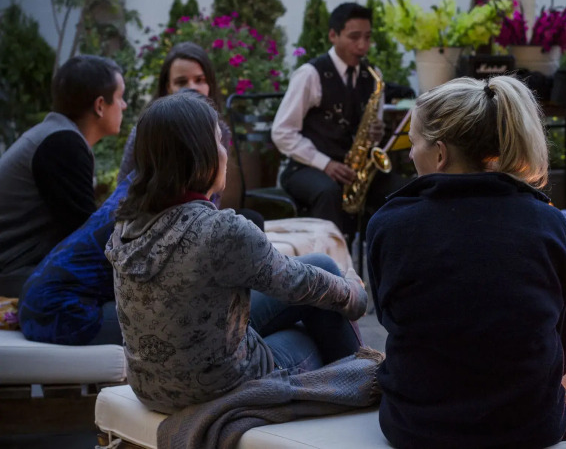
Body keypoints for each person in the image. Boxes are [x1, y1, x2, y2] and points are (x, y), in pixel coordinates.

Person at [105, 91, 367, 414]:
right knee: (314, 324)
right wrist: (355, 295)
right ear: (199, 155)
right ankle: (363, 391)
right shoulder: (221, 231)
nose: (225, 151)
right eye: (218, 141)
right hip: (219, 388)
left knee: (321, 266)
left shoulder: (127, 223)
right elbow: (299, 284)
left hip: (150, 388)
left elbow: (298, 277)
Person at [366, 76, 566, 448]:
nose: (410, 154)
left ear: (440, 153)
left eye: (414, 143)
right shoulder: (548, 222)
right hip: (530, 429)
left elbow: (392, 320)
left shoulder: (390, 224)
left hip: (418, 429)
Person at [272, 2, 407, 240]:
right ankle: (328, 261)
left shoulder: (373, 76)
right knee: (328, 192)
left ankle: (387, 257)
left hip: (353, 170)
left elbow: (370, 133)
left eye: (367, 37)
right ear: (333, 36)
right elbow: (282, 132)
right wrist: (325, 164)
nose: (362, 46)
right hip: (306, 167)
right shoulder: (310, 74)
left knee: (401, 190)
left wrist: (376, 134)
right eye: (354, 37)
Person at [0, 55, 126, 297]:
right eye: (120, 97)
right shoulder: (62, 144)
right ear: (100, 105)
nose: (124, 105)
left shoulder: (56, 135)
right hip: (12, 274)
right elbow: (86, 238)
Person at [117, 42, 263, 225]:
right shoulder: (145, 132)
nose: (192, 87)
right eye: (181, 82)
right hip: (153, 222)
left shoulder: (220, 130)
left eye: (200, 80)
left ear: (210, 84)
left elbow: (215, 194)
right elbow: (123, 190)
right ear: (168, 87)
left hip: (201, 219)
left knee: (252, 219)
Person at [18, 174, 133, 345]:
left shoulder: (129, 191)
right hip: (59, 315)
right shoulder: (147, 206)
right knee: (162, 327)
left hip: (34, 303)